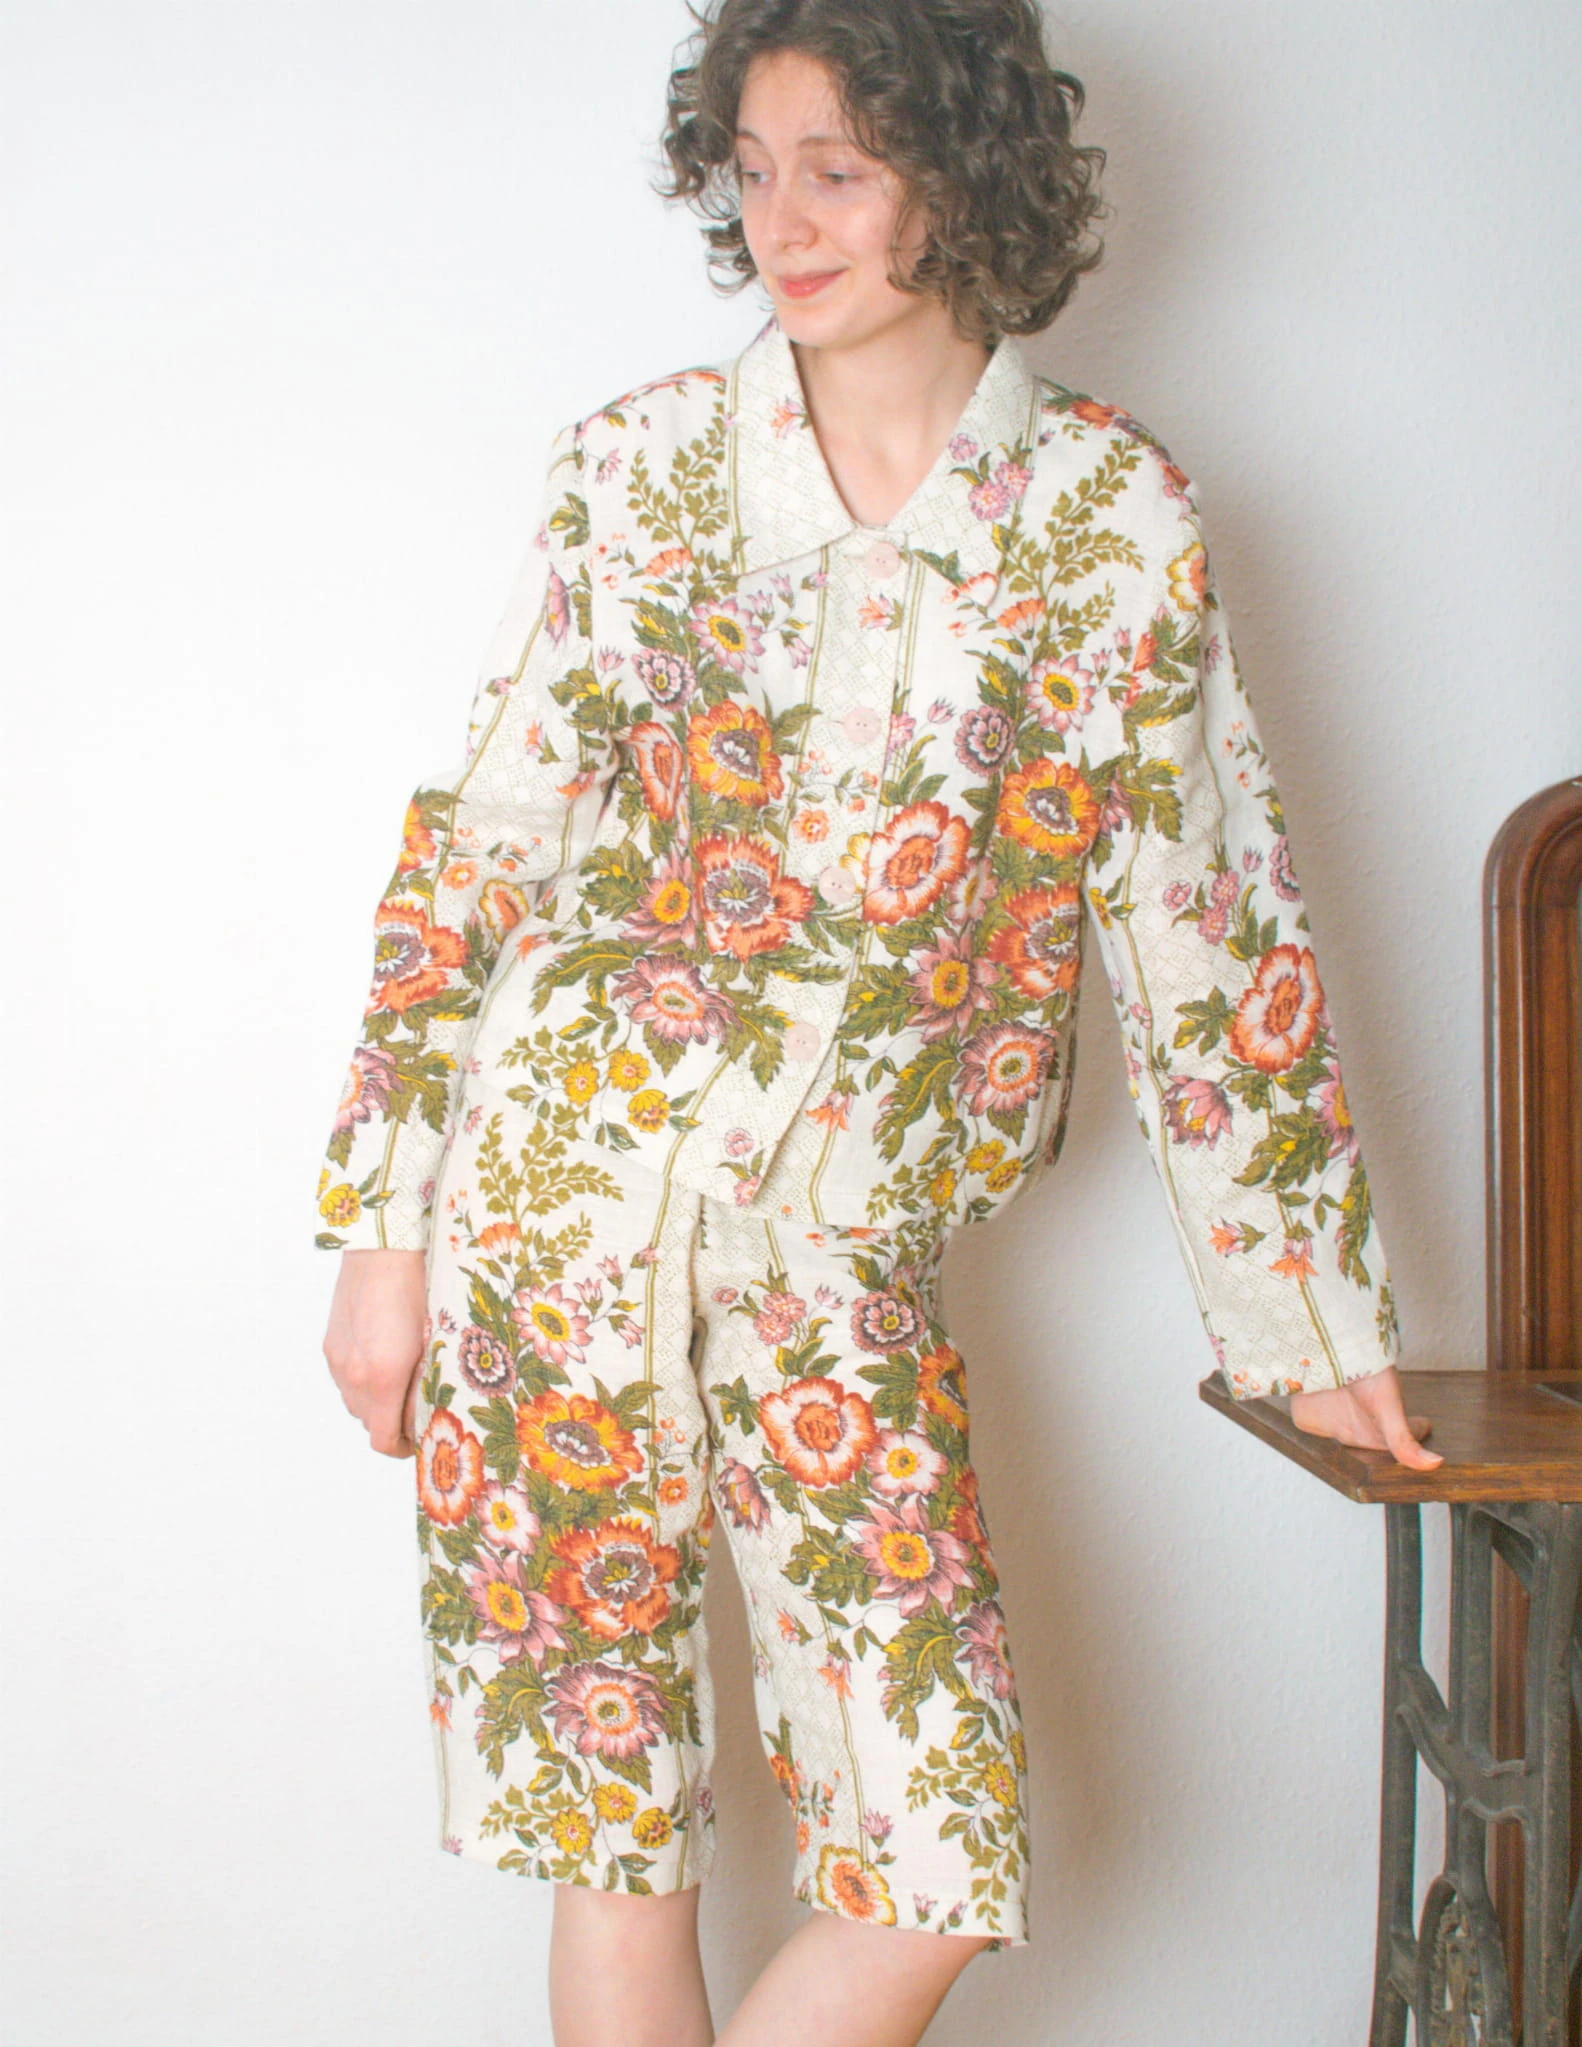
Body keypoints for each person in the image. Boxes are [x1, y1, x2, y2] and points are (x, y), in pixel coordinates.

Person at [316, 2, 1442, 2040]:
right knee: (610, 1826)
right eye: (754, 170)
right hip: (556, 1216)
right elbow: (477, 848)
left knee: (931, 1842)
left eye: (837, 169)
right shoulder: (638, 470)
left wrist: (1311, 1326)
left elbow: (1205, 922)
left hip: (838, 1246)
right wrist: (379, 1237)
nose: (785, 221)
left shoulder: (1106, 519)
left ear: (960, 171)